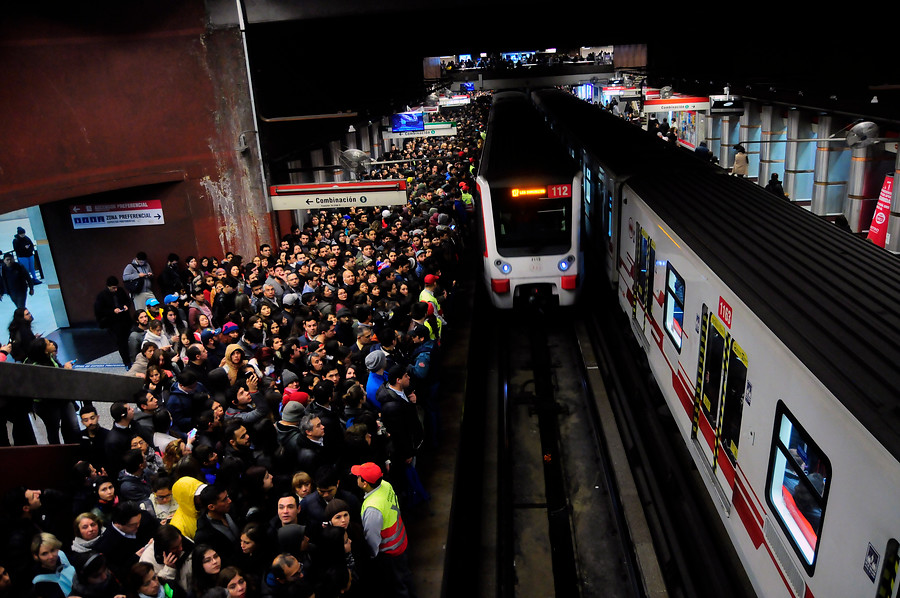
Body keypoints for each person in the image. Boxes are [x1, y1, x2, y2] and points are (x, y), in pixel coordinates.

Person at [352, 462, 416, 598]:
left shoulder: (372, 508)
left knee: (398, 585)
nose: (356, 477)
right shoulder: (386, 485)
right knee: (405, 576)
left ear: (365, 484)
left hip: (390, 551)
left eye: (358, 476)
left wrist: (372, 557)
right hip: (401, 541)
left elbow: (372, 539)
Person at [95, 275, 136, 367]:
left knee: (131, 338)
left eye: (116, 287)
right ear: (108, 286)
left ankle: (133, 357)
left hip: (125, 319)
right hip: (113, 323)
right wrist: (112, 311)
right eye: (113, 288)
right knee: (121, 342)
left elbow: (127, 301)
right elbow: (99, 310)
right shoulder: (102, 296)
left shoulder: (120, 291)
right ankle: (127, 362)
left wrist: (126, 306)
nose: (115, 289)